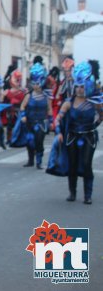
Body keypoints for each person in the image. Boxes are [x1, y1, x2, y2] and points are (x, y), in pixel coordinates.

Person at [55, 60, 102, 204]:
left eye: (82, 86)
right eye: (77, 86)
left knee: (87, 164)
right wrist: (59, 132)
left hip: (89, 136)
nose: (79, 89)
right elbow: (58, 119)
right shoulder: (69, 102)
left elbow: (101, 116)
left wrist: (95, 125)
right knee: (73, 164)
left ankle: (87, 195)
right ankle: (72, 193)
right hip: (72, 136)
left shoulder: (95, 102)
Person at [19, 61, 52, 169]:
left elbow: (49, 109)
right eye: (34, 83)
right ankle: (30, 160)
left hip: (41, 123)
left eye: (38, 83)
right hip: (30, 122)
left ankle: (39, 161)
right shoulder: (29, 95)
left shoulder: (46, 95)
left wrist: (51, 121)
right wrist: (23, 115)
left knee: (39, 141)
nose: (36, 86)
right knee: (30, 141)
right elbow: (22, 106)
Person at [1, 69, 26, 144]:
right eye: (16, 79)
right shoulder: (7, 92)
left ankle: (17, 138)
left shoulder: (23, 91)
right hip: (10, 111)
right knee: (10, 126)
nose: (18, 81)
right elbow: (1, 101)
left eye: (19, 80)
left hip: (19, 111)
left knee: (18, 126)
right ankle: (9, 139)